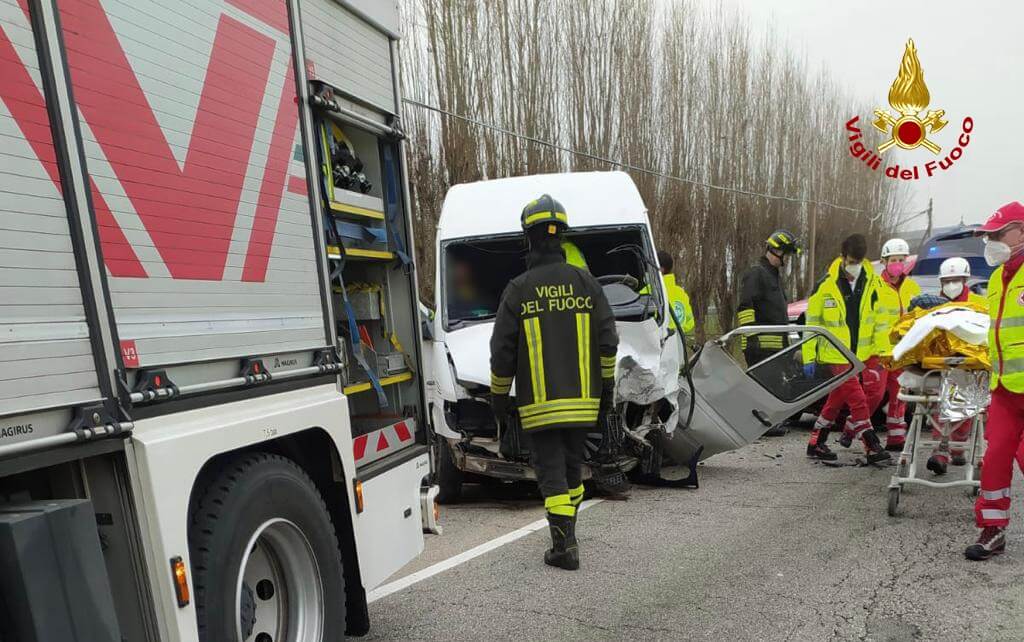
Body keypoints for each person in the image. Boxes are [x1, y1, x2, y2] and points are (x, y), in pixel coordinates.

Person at [490, 194, 618, 570]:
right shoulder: (587, 283)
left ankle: (565, 548)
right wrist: (606, 390)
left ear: (527, 238)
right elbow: (608, 342)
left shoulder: (518, 289)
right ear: (561, 236)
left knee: (551, 476)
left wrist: (500, 399)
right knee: (572, 471)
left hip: (539, 407)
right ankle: (568, 536)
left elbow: (502, 353)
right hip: (583, 404)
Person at [966, 201, 1024, 560]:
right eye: (988, 236)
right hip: (1004, 389)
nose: (992, 241)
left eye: (998, 234)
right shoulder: (995, 281)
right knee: (995, 460)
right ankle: (992, 531)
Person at [803, 234, 890, 463]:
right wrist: (808, 356)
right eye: (851, 262)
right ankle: (871, 445)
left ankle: (816, 441)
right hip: (836, 353)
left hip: (861, 354)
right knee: (857, 398)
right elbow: (812, 323)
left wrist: (882, 353)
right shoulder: (825, 286)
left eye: (859, 262)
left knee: (837, 398)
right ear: (842, 258)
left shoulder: (872, 283)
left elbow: (880, 322)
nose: (855, 267)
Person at [921, 257, 988, 475]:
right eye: (947, 281)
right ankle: (941, 451)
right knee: (941, 405)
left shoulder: (979, 305)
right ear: (941, 283)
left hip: (968, 366)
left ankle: (957, 447)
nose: (951, 285)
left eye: (956, 280)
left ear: (965, 280)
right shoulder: (931, 304)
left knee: (964, 402)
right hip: (937, 365)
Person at [737, 230, 801, 435]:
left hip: (776, 345)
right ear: (777, 250)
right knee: (763, 385)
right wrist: (751, 337)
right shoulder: (756, 273)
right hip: (760, 345)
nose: (787, 260)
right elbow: (745, 307)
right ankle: (763, 425)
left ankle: (769, 422)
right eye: (787, 255)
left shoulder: (773, 277)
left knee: (773, 385)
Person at [866, 238, 921, 451]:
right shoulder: (873, 287)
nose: (897, 263)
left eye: (901, 259)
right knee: (874, 395)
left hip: (902, 352)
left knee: (899, 395)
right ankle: (856, 428)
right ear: (884, 261)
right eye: (893, 260)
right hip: (878, 352)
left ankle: (896, 437)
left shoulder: (912, 288)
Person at [658, 249, 696, 335]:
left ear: (661, 269)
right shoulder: (681, 293)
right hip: (678, 345)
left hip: (657, 345)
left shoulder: (650, 292)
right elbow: (690, 323)